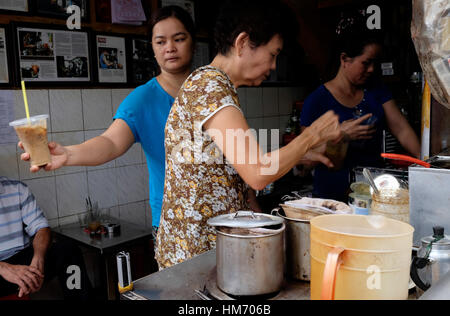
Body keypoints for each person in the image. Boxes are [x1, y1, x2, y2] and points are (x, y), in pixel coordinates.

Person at [155, 0, 341, 269]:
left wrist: (301, 153)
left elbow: (235, 165)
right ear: (242, 43)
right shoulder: (210, 86)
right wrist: (310, 136)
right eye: (273, 54)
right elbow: (257, 171)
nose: (274, 66)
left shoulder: (215, 85)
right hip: (193, 257)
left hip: (204, 251)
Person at [19, 6, 200, 239]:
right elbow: (110, 142)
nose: (170, 48)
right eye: (160, 42)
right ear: (153, 50)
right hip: (176, 223)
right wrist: (67, 154)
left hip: (227, 215)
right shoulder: (142, 99)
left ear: (193, 43)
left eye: (179, 39)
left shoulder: (212, 90)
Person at [300, 29, 421, 202]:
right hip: (333, 195)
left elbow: (401, 129)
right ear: (344, 60)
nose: (371, 69)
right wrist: (341, 136)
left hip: (373, 189)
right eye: (366, 63)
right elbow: (306, 156)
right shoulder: (318, 100)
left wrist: (427, 164)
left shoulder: (376, 90)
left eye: (375, 63)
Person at [0, 176, 92, 300]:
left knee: (68, 250)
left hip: (23, 263)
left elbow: (41, 228)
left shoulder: (17, 189)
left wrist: (39, 258)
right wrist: (4, 268)